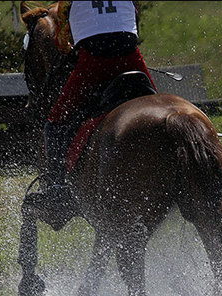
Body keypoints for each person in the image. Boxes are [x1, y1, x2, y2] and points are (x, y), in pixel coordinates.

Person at [35, 0, 157, 222]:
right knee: (158, 106)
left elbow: (62, 42)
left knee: (54, 123)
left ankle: (57, 188)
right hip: (131, 57)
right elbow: (133, 18)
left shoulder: (67, 4)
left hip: (94, 62)